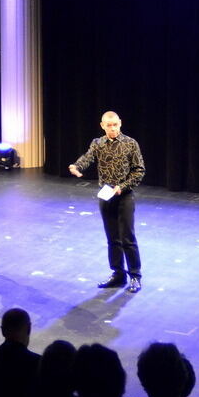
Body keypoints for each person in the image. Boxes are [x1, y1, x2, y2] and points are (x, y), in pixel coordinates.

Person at [69, 111, 145, 293]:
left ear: (120, 124)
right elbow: (87, 158)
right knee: (112, 238)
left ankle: (135, 275)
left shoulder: (130, 143)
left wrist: (123, 186)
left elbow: (139, 170)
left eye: (115, 125)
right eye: (108, 125)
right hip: (106, 195)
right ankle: (118, 274)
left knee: (127, 237)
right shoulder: (98, 143)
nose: (112, 128)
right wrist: (77, 166)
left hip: (124, 195)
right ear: (102, 125)